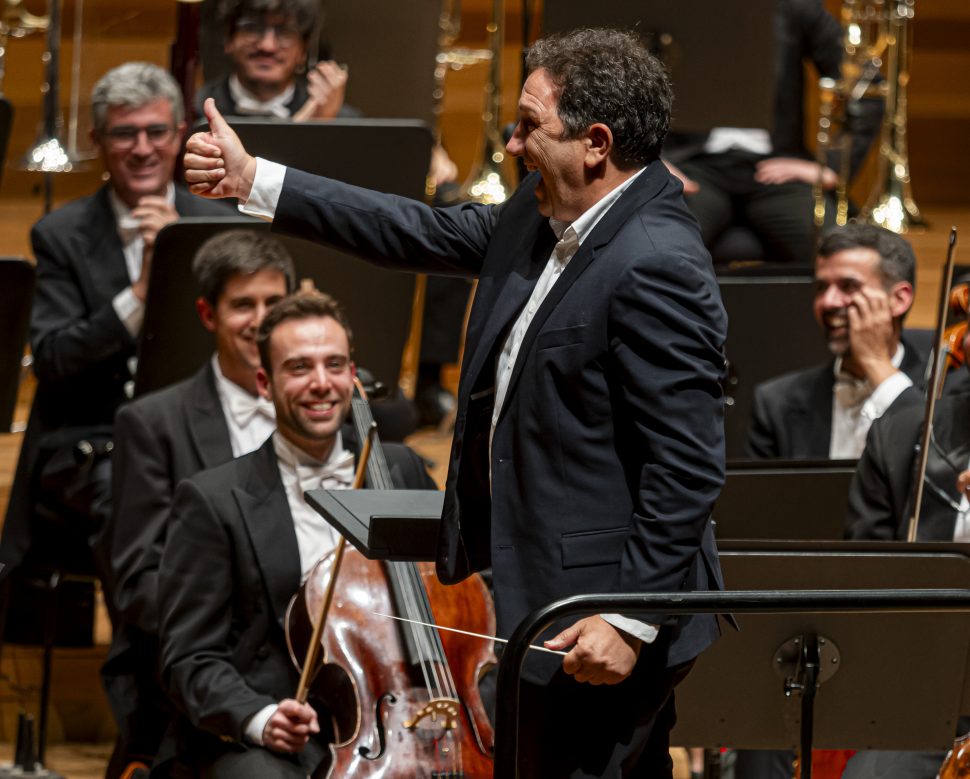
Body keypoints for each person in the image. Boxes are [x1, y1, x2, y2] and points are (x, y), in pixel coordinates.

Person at [184, 26, 729, 777]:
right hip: (539, 595)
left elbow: (687, 465)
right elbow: (419, 228)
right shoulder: (544, 216)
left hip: (599, 615)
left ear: (596, 143)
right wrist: (255, 179)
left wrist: (629, 619)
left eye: (530, 125)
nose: (511, 144)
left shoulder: (657, 262)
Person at [156, 291, 434, 777]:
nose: (321, 384)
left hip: (401, 717)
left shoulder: (400, 467)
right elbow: (190, 657)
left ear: (354, 374)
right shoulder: (213, 500)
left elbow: (462, 583)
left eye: (335, 364)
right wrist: (260, 719)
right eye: (300, 368)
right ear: (265, 382)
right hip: (282, 729)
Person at [0, 62, 233, 588]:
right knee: (139, 508)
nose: (143, 148)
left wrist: (185, 264)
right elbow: (55, 358)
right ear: (98, 140)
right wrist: (144, 291)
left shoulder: (216, 223)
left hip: (202, 429)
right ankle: (142, 665)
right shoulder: (60, 235)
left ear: (179, 136)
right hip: (93, 439)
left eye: (156, 132)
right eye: (124, 133)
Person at [96, 229, 295, 777]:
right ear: (208, 314)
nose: (260, 319)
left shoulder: (331, 413)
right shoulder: (154, 424)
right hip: (209, 672)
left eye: (274, 303)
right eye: (242, 305)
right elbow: (137, 583)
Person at [663, 0, 883, 265]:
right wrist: (651, 161)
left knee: (836, 255)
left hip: (777, 169)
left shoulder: (793, 6)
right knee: (664, 249)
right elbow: (618, 85)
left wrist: (831, 166)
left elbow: (868, 88)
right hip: (692, 166)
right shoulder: (670, 6)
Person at [747, 223, 928, 460]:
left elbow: (937, 476)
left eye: (849, 286)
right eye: (822, 288)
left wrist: (875, 363)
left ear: (898, 299)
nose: (828, 301)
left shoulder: (948, 393)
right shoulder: (776, 403)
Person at [196, 0, 354, 122]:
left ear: (303, 50)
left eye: (284, 32)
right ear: (229, 39)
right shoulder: (193, 110)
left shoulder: (337, 119)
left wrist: (319, 126)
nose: (267, 46)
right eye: (252, 28)